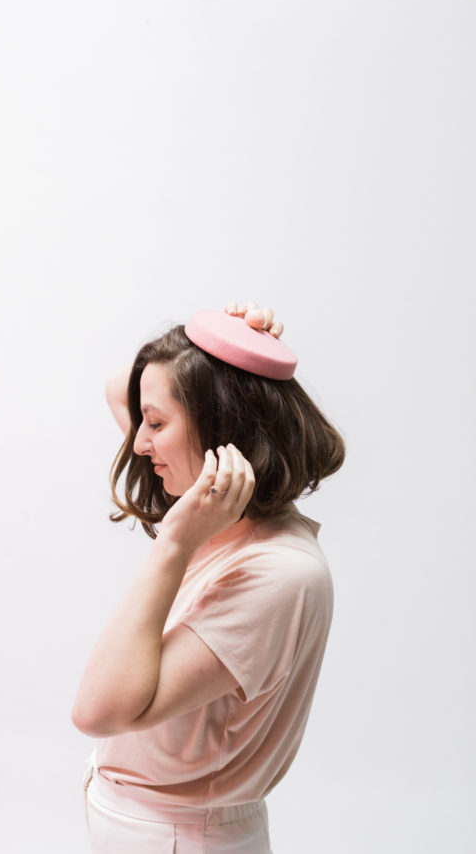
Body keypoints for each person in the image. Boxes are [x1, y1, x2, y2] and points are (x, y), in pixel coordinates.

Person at [71, 302, 345, 853]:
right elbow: (115, 387)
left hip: (180, 840)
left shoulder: (277, 573)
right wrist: (220, 344)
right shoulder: (227, 514)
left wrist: (174, 543)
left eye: (155, 424)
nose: (140, 444)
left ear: (222, 429)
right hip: (153, 831)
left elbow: (96, 711)